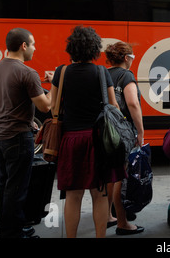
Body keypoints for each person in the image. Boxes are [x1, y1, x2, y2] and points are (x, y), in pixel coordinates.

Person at [51, 26, 117, 238]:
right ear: (95, 49)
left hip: (70, 140)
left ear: (72, 48)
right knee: (99, 194)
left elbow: (52, 107)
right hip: (96, 140)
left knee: (73, 195)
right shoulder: (101, 72)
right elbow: (113, 107)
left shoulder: (61, 72)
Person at [0, 28, 51, 238]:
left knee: (5, 182)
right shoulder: (27, 72)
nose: (35, 48)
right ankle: (12, 232)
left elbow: (9, 102)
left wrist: (29, 121)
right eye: (33, 44)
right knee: (17, 188)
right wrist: (53, 84)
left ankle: (3, 225)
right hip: (17, 137)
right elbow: (45, 106)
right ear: (23, 46)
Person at [104, 41, 145, 235]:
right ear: (127, 58)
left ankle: (107, 215)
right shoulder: (126, 75)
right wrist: (140, 131)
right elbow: (133, 103)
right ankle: (122, 222)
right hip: (123, 132)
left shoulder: (103, 74)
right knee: (121, 177)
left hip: (105, 132)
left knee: (109, 175)